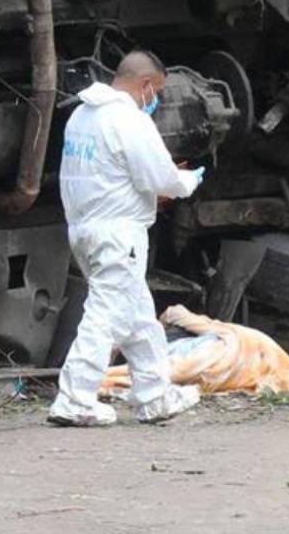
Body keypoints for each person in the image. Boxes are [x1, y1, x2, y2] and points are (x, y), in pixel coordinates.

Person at [48, 49, 205, 427]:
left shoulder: (82, 116)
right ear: (146, 84)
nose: (157, 101)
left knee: (137, 319)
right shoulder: (129, 120)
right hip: (119, 233)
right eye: (158, 92)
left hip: (85, 229)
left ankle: (155, 396)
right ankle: (73, 399)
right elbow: (161, 178)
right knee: (105, 316)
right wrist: (191, 180)